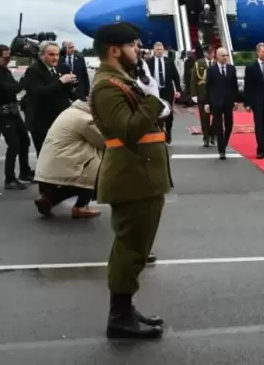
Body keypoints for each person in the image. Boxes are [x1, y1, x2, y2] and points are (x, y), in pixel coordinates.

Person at [89, 22, 171, 339]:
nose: (138, 50)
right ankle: (119, 317)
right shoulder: (107, 86)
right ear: (114, 50)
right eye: (133, 45)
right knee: (130, 249)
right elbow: (129, 130)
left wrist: (153, 101)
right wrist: (151, 100)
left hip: (143, 175)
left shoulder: (122, 80)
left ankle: (124, 309)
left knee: (137, 247)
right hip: (133, 177)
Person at [33, 99, 103, 219]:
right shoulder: (86, 120)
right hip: (64, 164)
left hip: (49, 165)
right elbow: (103, 141)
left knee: (74, 181)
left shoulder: (70, 112)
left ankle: (48, 198)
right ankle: (80, 206)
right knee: (92, 166)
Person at [0, 44, 35, 190]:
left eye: (9, 54)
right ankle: (9, 178)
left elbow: (15, 87)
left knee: (24, 141)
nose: (8, 58)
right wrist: (26, 79)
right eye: (5, 55)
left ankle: (25, 172)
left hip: (13, 112)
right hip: (2, 114)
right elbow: (13, 88)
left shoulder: (5, 71)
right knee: (14, 145)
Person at [23, 41, 76, 156]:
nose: (55, 58)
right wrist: (61, 81)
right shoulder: (33, 70)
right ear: (41, 55)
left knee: (60, 154)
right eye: (51, 55)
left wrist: (74, 90)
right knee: (45, 155)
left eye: (57, 54)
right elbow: (39, 92)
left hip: (57, 119)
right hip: (41, 121)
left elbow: (63, 92)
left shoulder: (57, 68)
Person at [205, 48, 241, 159]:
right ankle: (221, 150)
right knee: (219, 126)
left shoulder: (231, 69)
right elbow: (208, 87)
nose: (225, 57)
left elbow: (234, 86)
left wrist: (236, 100)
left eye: (226, 55)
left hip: (229, 101)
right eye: (223, 55)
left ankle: (224, 143)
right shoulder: (211, 70)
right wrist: (207, 102)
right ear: (217, 56)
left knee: (229, 125)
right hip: (216, 102)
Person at [146, 42, 181, 144]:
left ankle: (168, 131)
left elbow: (176, 76)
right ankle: (159, 132)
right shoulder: (149, 62)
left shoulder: (169, 61)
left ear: (163, 50)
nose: (159, 51)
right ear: (154, 50)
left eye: (161, 49)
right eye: (157, 50)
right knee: (156, 112)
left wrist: (178, 89)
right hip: (154, 91)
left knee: (168, 113)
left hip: (167, 90)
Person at [190, 46, 214, 147]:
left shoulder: (217, 63)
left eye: (212, 52)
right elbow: (193, 80)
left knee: (216, 117)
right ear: (204, 53)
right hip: (202, 93)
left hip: (214, 94)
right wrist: (193, 94)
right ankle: (206, 137)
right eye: (208, 52)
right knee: (204, 118)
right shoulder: (198, 63)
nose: (210, 54)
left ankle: (213, 133)